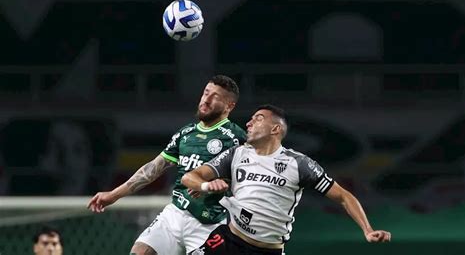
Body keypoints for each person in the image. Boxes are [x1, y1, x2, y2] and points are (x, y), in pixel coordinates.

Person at [182, 104, 391, 255]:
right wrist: (206, 185)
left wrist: (368, 230)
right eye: (251, 119)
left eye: (258, 118)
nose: (249, 122)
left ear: (276, 129)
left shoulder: (299, 163)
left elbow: (344, 196)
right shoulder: (235, 154)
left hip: (268, 250)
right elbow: (190, 177)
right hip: (230, 242)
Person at [87, 75, 246, 255]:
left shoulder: (236, 138)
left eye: (215, 97)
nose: (206, 100)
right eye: (206, 93)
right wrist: (114, 195)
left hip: (210, 223)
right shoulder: (186, 133)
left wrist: (220, 184)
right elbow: (153, 169)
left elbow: (249, 180)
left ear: (229, 106)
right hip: (175, 213)